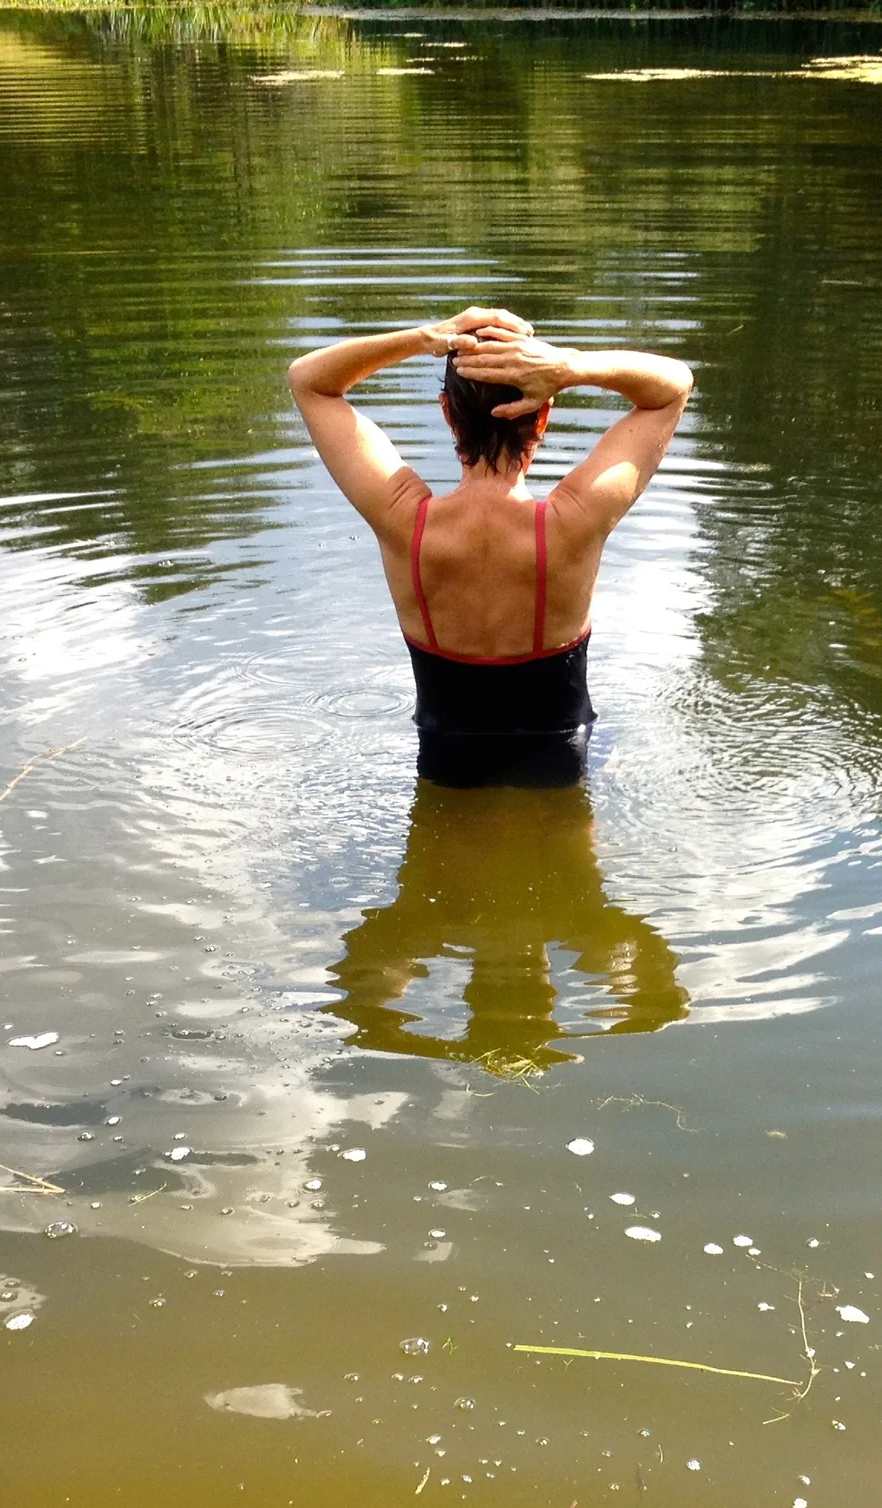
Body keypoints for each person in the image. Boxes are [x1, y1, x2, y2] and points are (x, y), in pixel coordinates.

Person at [287, 308, 693, 788]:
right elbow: (674, 386)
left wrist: (426, 337)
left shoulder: (404, 521)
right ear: (543, 413)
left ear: (447, 412)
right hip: (559, 763)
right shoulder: (574, 522)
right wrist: (570, 367)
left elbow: (308, 380)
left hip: (445, 763)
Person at [327, 780, 688, 1070]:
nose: (516, 983)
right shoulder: (579, 925)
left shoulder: (431, 924)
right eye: (528, 995)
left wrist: (445, 1050)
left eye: (498, 994)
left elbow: (360, 1001)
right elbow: (663, 992)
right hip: (533, 750)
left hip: (479, 751)